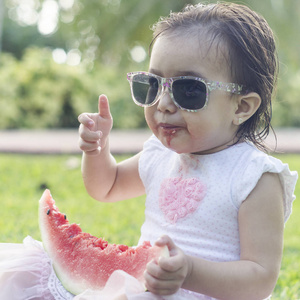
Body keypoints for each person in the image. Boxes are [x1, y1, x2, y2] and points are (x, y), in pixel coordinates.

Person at [0, 3, 297, 300]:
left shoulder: (255, 177)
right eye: (151, 86)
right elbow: (107, 186)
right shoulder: (160, 155)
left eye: (189, 90)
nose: (164, 103)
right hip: (141, 289)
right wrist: (97, 151)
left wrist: (189, 272)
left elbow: (260, 279)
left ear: (241, 107)